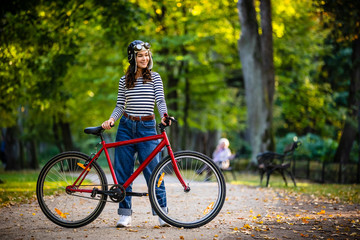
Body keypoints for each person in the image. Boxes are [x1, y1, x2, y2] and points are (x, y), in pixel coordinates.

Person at [102, 40, 171, 228]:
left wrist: (164, 116)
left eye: (147, 55)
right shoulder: (124, 80)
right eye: (140, 55)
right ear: (133, 57)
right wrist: (111, 120)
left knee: (154, 173)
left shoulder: (155, 78)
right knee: (123, 172)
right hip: (125, 127)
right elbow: (119, 105)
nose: (144, 58)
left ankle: (162, 212)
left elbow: (160, 101)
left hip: (147, 127)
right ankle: (125, 214)